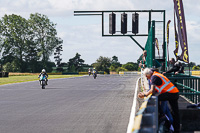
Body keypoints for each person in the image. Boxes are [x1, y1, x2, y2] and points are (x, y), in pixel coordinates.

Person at [138, 68, 180, 132]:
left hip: (171, 94)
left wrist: (144, 95)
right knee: (175, 112)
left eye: (146, 76)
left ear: (148, 74)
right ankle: (177, 130)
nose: (146, 77)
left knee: (156, 98)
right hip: (175, 93)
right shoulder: (157, 74)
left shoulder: (154, 77)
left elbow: (152, 90)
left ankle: (161, 114)